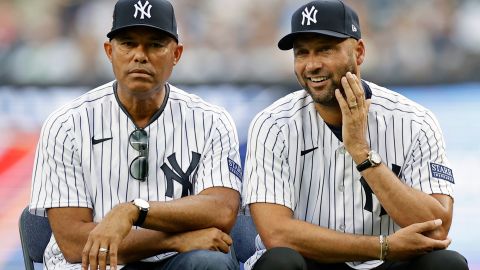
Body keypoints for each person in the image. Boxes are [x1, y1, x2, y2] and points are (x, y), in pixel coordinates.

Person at [242, 1, 469, 270]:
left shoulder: (415, 121)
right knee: (280, 262)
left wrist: (362, 153)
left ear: (359, 52)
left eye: (325, 50)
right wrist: (383, 246)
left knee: (446, 264)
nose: (312, 65)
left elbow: (437, 229)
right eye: (302, 53)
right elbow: (276, 234)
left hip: (388, 264)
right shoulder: (273, 124)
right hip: (313, 259)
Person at [29, 0, 243, 269]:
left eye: (155, 44)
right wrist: (173, 240)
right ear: (109, 51)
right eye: (128, 43)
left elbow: (222, 210)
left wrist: (133, 210)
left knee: (209, 263)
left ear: (176, 54)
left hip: (177, 262)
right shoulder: (67, 124)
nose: (140, 55)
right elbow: (73, 244)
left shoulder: (211, 120)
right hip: (96, 265)